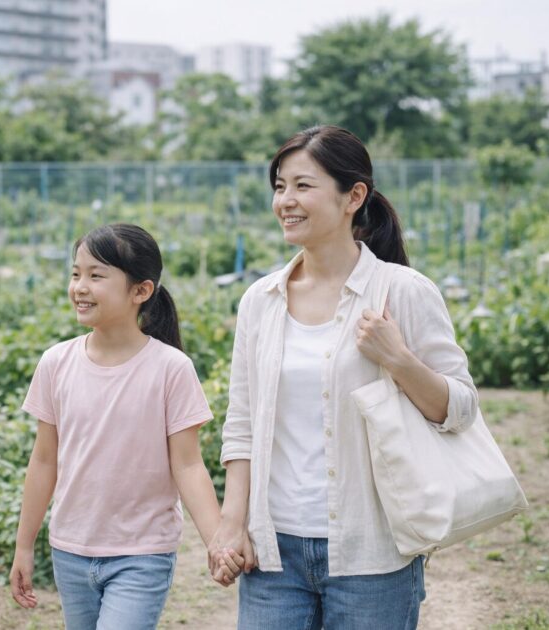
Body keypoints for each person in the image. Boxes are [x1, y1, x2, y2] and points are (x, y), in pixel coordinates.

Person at [210, 126, 479, 629]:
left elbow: (460, 408)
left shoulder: (404, 292)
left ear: (354, 196)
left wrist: (399, 359)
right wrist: (232, 521)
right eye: (279, 186)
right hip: (274, 556)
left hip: (372, 552)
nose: (286, 200)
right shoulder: (260, 301)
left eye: (303, 185)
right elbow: (242, 422)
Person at [9, 224, 225, 630]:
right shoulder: (56, 363)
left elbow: (189, 466)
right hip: (70, 550)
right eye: (76, 274)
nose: (80, 287)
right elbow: (43, 461)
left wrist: (217, 542)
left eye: (96, 275)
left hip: (141, 554)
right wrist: (24, 546)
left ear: (140, 291)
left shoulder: (171, 369)